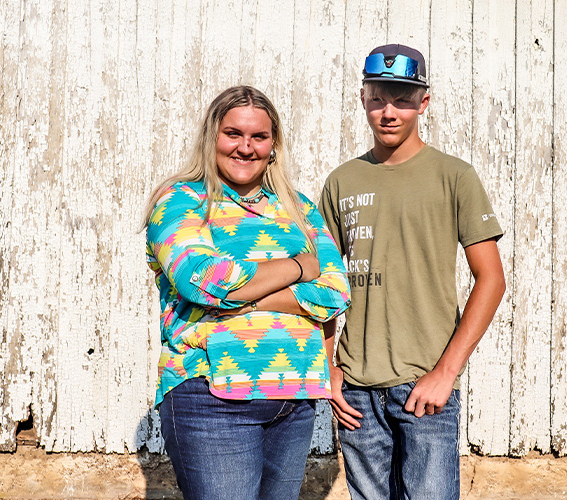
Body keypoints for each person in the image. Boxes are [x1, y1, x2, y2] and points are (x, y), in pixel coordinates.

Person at [144, 85, 350, 500]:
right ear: (211, 138)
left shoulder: (298, 207)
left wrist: (246, 296)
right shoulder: (182, 203)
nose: (245, 147)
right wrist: (297, 268)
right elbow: (203, 279)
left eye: (259, 137)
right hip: (211, 396)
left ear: (273, 144)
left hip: (293, 395)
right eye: (233, 134)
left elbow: (335, 291)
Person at [318, 44, 506, 499]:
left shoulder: (454, 176)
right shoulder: (342, 181)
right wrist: (328, 368)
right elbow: (321, 285)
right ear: (362, 98)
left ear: (424, 102)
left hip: (425, 388)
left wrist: (446, 372)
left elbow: (492, 280)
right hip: (357, 394)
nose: (389, 112)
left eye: (403, 99)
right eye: (379, 97)